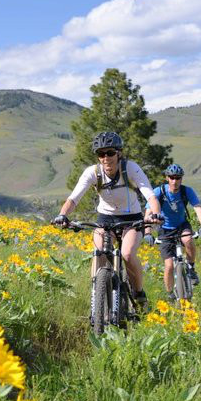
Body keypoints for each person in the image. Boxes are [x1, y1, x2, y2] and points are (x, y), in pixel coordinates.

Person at [52, 131, 162, 312]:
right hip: (105, 218)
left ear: (119, 153)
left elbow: (151, 196)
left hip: (131, 219)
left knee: (127, 254)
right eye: (101, 154)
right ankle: (98, 295)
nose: (105, 158)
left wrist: (155, 214)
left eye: (110, 153)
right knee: (100, 253)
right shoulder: (93, 172)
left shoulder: (131, 169)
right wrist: (62, 215)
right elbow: (73, 199)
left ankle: (139, 293)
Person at [144, 163, 201, 296]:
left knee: (188, 240)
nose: (175, 181)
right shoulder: (159, 192)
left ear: (181, 179)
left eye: (178, 178)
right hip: (165, 229)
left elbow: (197, 207)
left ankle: (191, 268)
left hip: (182, 225)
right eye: (172, 177)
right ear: (167, 178)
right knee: (169, 266)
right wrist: (148, 232)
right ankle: (170, 294)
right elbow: (148, 213)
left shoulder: (186, 191)